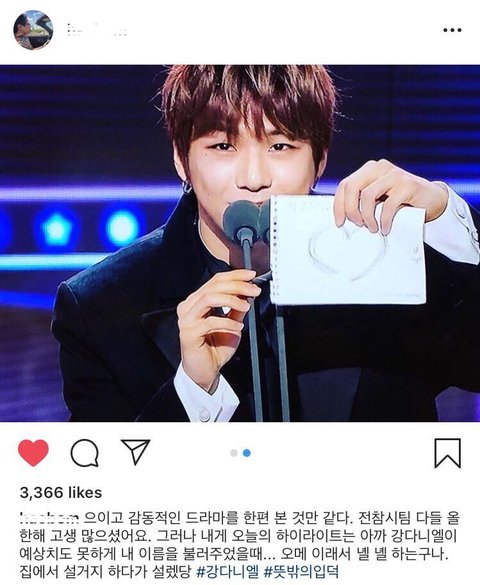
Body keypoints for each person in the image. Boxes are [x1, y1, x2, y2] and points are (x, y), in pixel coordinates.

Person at [51, 65, 480, 422]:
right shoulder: (98, 307)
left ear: (320, 159)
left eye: (280, 145)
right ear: (182, 159)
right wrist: (194, 391)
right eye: (223, 146)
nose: (254, 179)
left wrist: (444, 218)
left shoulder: (383, 258)